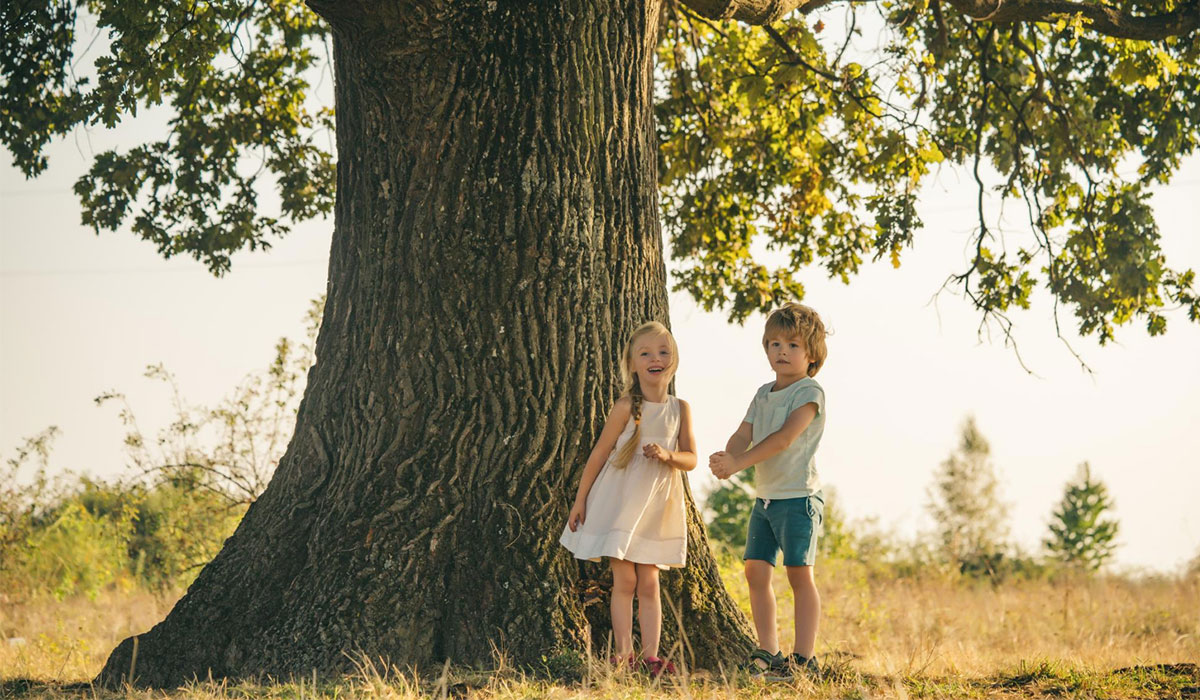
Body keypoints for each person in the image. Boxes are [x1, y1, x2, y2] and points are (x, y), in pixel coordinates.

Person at [560, 321, 697, 677]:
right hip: (619, 504)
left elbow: (691, 459)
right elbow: (599, 454)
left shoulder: (680, 408)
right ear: (632, 363)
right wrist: (580, 501)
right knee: (626, 582)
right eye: (646, 353)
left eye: (663, 352)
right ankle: (623, 654)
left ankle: (651, 657)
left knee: (649, 583)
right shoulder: (625, 406)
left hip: (654, 508)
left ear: (675, 359)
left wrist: (668, 456)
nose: (656, 359)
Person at [709, 303, 829, 679]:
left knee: (798, 574)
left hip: (797, 499)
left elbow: (782, 440)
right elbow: (745, 432)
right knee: (755, 571)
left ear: (811, 355)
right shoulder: (763, 393)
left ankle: (804, 658)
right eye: (774, 344)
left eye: (793, 345)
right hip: (765, 499)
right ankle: (769, 650)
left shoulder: (809, 392)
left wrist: (739, 464)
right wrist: (728, 456)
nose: (782, 351)